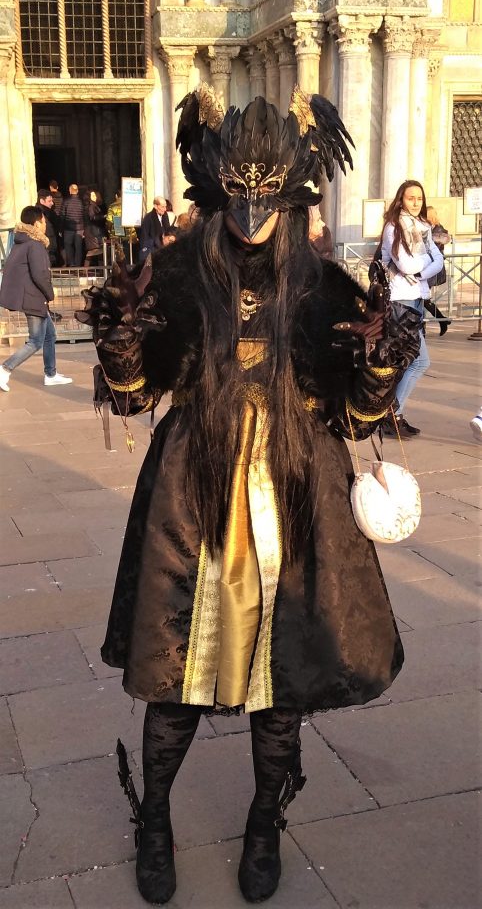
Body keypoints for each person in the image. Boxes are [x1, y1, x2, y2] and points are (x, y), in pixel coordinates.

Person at [77, 85, 420, 906]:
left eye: (267, 196)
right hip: (193, 502)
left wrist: (376, 363)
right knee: (176, 684)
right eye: (239, 195)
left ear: (293, 193)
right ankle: (154, 818)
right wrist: (124, 343)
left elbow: (357, 412)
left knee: (282, 688)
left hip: (300, 503)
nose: (253, 212)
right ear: (215, 187)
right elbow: (133, 392)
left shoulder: (328, 285)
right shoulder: (180, 276)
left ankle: (265, 822)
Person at [379, 180, 443, 439]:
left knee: (408, 361)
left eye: (419, 198)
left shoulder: (424, 227)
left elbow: (439, 260)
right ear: (401, 200)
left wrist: (422, 269)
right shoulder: (394, 227)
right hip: (400, 300)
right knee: (419, 360)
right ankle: (392, 413)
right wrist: (423, 265)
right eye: (410, 198)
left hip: (416, 297)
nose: (416, 202)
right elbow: (404, 264)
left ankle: (392, 414)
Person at [0, 206, 72, 391]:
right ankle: (5, 369)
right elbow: (40, 274)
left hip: (32, 297)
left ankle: (51, 374)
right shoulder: (34, 244)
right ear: (36, 223)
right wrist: (50, 293)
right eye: (43, 221)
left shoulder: (21, 242)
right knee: (35, 341)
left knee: (50, 336)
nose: (45, 224)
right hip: (34, 298)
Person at [424, 207, 451, 336]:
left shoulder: (438, 230)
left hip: (432, 268)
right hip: (427, 267)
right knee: (423, 298)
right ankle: (442, 320)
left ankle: (440, 320)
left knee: (422, 298)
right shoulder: (429, 228)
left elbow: (433, 246)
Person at [138, 197, 170, 261]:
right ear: (155, 206)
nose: (165, 209)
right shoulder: (148, 218)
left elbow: (167, 229)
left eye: (165, 206)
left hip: (163, 248)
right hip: (152, 249)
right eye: (162, 207)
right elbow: (144, 236)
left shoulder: (165, 215)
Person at [61, 184, 84, 266]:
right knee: (78, 247)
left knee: (68, 245)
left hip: (68, 228)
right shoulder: (81, 202)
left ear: (70, 190)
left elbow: (62, 215)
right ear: (77, 191)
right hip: (79, 228)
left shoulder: (66, 201)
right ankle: (78, 264)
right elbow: (83, 215)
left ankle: (71, 263)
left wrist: (61, 227)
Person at [36, 189, 60, 267]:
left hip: (49, 248)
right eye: (49, 201)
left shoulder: (49, 213)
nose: (52, 203)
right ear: (42, 201)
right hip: (46, 249)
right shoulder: (39, 214)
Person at [83, 190, 106, 267]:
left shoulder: (94, 206)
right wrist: (103, 216)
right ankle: (85, 271)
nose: (94, 197)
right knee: (93, 251)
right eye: (92, 196)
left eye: (94, 195)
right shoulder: (91, 206)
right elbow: (93, 217)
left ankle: (101, 269)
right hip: (93, 231)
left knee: (98, 251)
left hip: (93, 230)